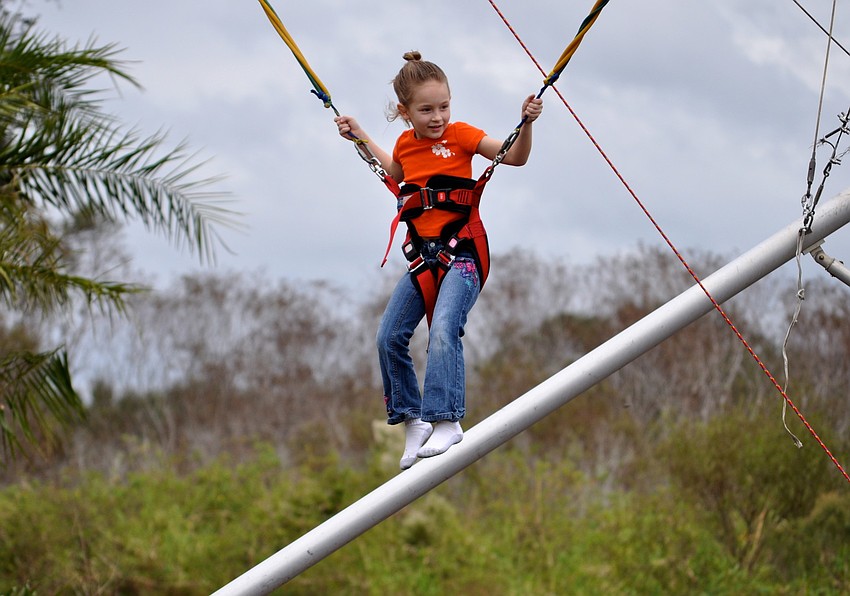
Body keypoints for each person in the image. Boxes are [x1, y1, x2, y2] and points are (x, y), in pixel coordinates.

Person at [335, 51, 542, 470]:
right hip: (423, 258)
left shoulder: (462, 135)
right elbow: (395, 171)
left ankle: (447, 418)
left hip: (463, 253)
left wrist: (528, 124)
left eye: (443, 106)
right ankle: (413, 420)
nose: (437, 117)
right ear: (404, 111)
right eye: (426, 109)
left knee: (445, 329)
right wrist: (359, 136)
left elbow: (514, 156)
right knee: (388, 336)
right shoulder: (406, 144)